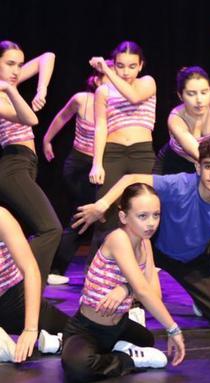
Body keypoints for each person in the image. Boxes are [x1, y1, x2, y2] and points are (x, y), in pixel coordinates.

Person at [73, 139, 210, 330]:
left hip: (192, 259)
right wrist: (103, 204)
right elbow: (131, 179)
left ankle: (200, 301)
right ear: (198, 168)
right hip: (155, 247)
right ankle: (130, 295)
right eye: (208, 166)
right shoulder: (180, 184)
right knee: (135, 231)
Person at [61, 183, 185, 381]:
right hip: (88, 328)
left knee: (147, 339)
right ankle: (128, 360)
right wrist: (173, 329)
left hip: (118, 326)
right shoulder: (118, 238)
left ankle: (116, 349)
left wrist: (125, 289)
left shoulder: (145, 244)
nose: (151, 223)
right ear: (123, 217)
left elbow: (154, 293)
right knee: (78, 368)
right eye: (142, 216)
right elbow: (143, 290)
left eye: (156, 215)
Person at [87, 41, 158, 262]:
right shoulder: (103, 91)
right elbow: (101, 126)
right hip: (114, 153)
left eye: (131, 66)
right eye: (120, 66)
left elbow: (133, 97)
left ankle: (140, 270)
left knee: (142, 210)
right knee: (105, 216)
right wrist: (96, 162)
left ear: (141, 66)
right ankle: (97, 271)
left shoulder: (147, 82)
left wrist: (106, 69)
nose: (125, 72)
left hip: (141, 153)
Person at [0, 41, 61, 286]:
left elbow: (48, 54)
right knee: (50, 229)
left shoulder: (8, 84)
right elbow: (30, 118)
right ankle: (24, 286)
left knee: (18, 236)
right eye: (10, 64)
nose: (16, 70)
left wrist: (41, 89)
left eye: (20, 65)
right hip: (12, 165)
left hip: (25, 164)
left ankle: (19, 286)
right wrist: (12, 91)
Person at [42, 68, 107, 285]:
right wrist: (47, 140)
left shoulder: (115, 103)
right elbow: (62, 116)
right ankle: (56, 267)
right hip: (79, 165)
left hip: (100, 167)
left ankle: (59, 267)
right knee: (86, 216)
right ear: (96, 80)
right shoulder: (82, 99)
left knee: (91, 217)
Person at [0, 207, 70, 364]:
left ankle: (58, 342)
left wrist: (30, 328)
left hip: (13, 299)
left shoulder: (1, 218)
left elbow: (30, 269)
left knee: (79, 334)